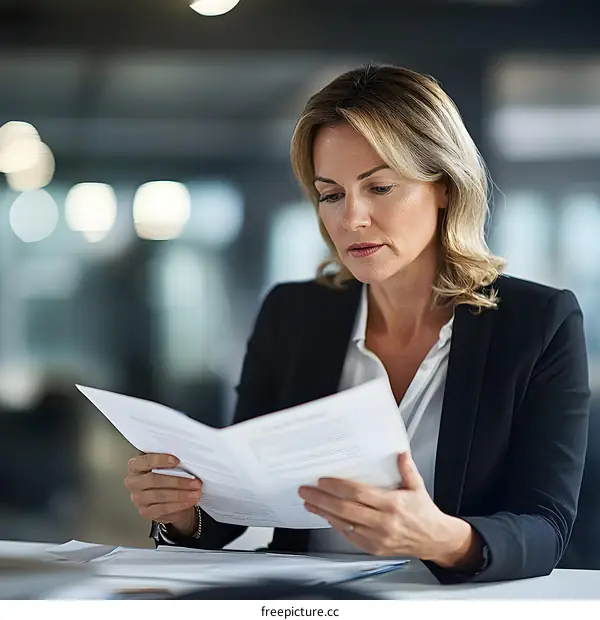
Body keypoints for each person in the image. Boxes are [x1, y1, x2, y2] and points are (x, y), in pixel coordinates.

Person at [124, 64, 591, 584]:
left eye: (380, 187)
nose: (352, 219)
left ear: (444, 186)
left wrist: (439, 536)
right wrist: (185, 513)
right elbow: (238, 507)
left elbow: (546, 529)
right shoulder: (293, 315)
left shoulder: (538, 324)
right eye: (331, 194)